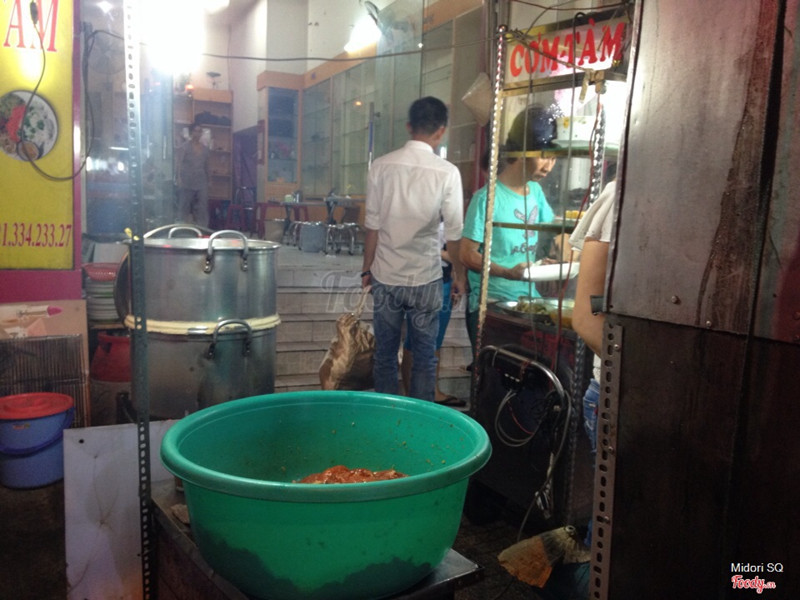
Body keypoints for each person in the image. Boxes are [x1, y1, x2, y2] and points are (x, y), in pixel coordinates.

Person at [361, 96, 466, 402]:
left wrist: (366, 270)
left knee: (384, 354)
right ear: (441, 131)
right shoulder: (447, 172)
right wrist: (459, 275)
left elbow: (372, 227)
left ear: (409, 127)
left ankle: (385, 414)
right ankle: (420, 419)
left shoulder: (381, 167)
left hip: (386, 275)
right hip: (426, 278)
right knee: (424, 356)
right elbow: (455, 234)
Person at [459, 104, 558, 353]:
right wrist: (507, 272)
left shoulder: (536, 192)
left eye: (554, 158)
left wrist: (552, 261)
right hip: (492, 304)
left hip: (529, 300)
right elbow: (467, 254)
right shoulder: (486, 198)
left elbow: (553, 232)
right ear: (523, 151)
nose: (549, 166)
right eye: (544, 156)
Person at [400, 222, 463, 406]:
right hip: (421, 281)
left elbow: (451, 247)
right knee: (414, 339)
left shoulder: (447, 216)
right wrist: (450, 256)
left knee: (436, 337)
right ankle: (411, 392)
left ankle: (432, 390)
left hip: (443, 279)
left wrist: (456, 276)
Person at [175, 122, 211, 227]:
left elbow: (207, 166)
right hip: (187, 181)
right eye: (195, 131)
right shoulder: (184, 147)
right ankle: (181, 228)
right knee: (184, 206)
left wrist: (209, 180)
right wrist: (178, 178)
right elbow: (179, 164)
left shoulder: (205, 149)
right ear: (191, 132)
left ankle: (202, 228)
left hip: (201, 181)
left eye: (199, 131)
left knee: (202, 206)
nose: (197, 133)